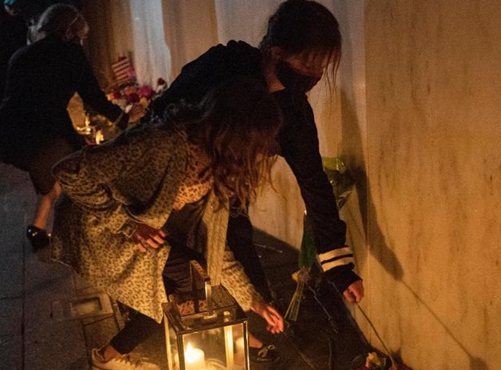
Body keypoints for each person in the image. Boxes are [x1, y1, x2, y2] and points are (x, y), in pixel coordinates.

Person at [51, 78, 285, 370]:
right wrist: (128, 225)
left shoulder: (215, 167)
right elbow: (69, 171)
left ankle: (108, 357)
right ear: (235, 134)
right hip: (98, 228)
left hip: (141, 232)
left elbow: (217, 253)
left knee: (181, 281)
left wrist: (254, 301)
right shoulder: (162, 146)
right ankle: (111, 360)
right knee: (172, 285)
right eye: (258, 145)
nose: (261, 156)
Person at [149, 0, 365, 316]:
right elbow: (162, 117)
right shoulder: (223, 66)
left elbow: (314, 182)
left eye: (322, 68)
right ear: (277, 53)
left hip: (225, 197)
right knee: (180, 278)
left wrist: (340, 269)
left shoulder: (294, 111)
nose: (316, 76)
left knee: (243, 282)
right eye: (309, 65)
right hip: (169, 190)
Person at [0, 3, 142, 252]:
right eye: (80, 35)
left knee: (54, 178)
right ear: (70, 31)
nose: (80, 41)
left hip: (6, 134)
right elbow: (93, 97)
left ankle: (37, 231)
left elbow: (37, 105)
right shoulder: (69, 53)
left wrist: (76, 137)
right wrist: (125, 120)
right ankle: (85, 232)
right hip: (40, 137)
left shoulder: (21, 54)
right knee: (70, 174)